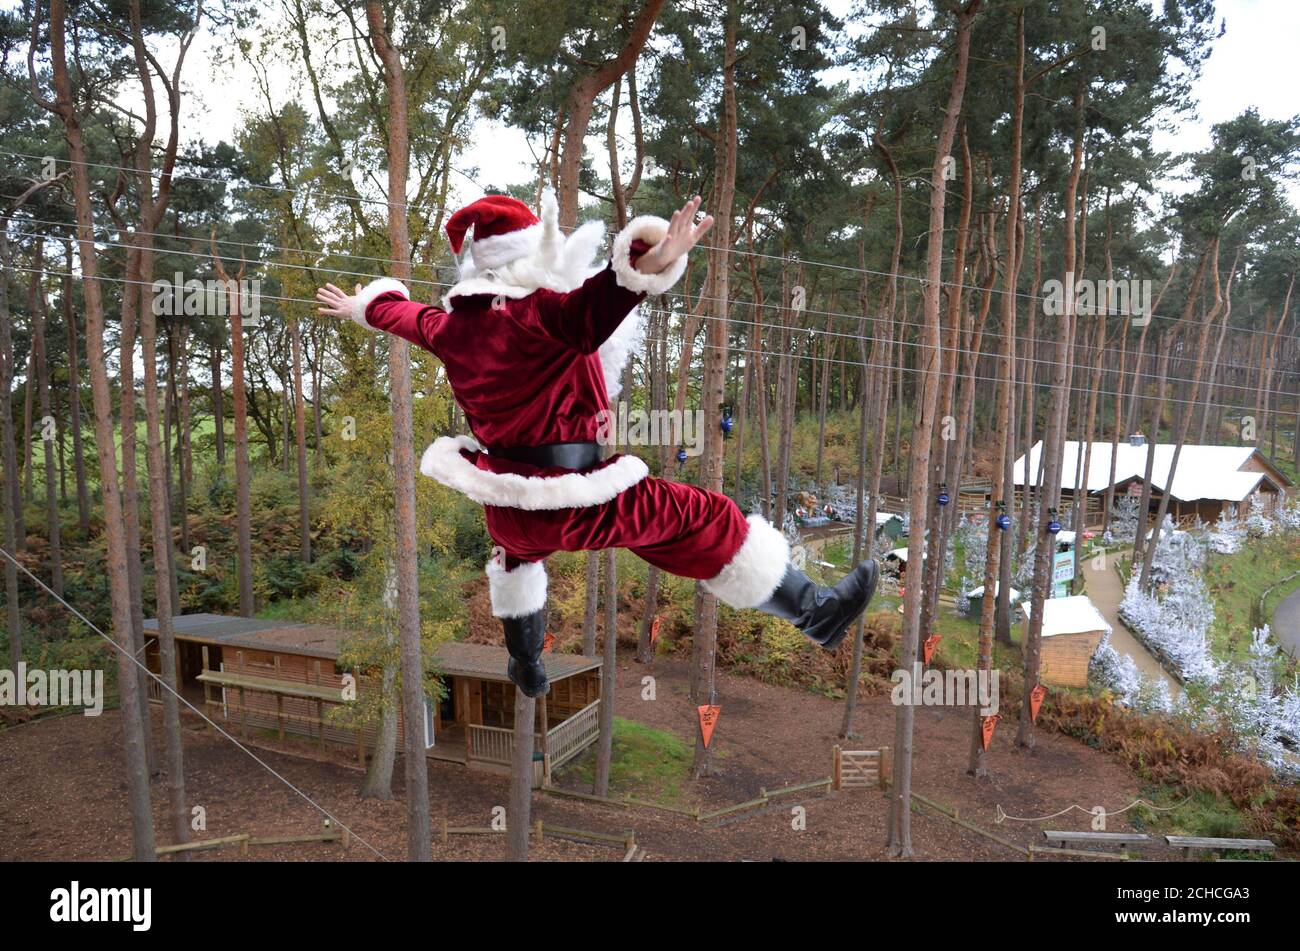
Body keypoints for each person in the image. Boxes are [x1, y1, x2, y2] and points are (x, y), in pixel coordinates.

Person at [317, 190, 878, 697]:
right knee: (699, 517)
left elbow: (398, 312)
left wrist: (357, 306)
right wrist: (645, 264)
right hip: (574, 500)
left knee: (516, 561)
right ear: (529, 257)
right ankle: (816, 612)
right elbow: (593, 310)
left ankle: (526, 663)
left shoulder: (449, 327)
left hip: (510, 511)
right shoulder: (537, 314)